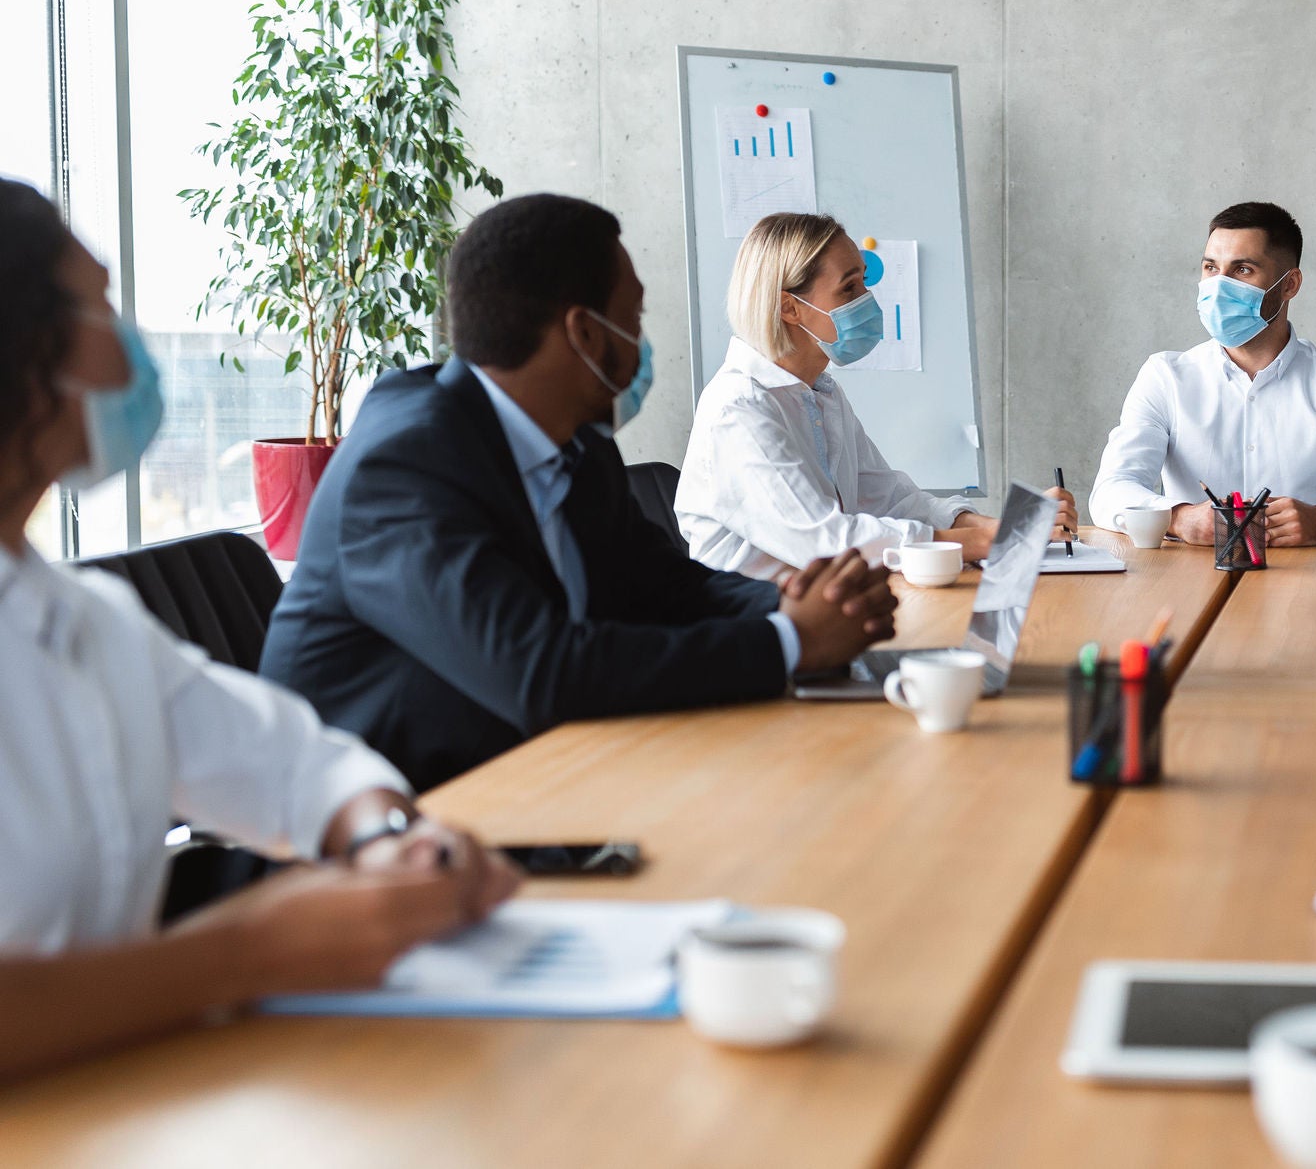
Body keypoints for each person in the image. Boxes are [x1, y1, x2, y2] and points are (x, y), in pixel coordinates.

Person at [0, 179, 518, 1083]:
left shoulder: (82, 621)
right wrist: (252, 951)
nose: (127, 345)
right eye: (97, 303)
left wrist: (385, 838)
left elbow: (290, 759)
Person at [261, 195, 898, 792]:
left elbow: (667, 588)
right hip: (392, 826)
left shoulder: (575, 444)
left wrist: (795, 603)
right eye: (635, 318)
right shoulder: (405, 465)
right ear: (586, 335)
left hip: (536, 776)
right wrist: (789, 642)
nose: (643, 343)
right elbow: (541, 670)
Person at [676, 213, 1076, 578]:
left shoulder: (821, 393)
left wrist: (1004, 524)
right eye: (849, 288)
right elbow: (827, 543)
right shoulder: (739, 409)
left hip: (826, 614)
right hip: (758, 632)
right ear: (789, 308)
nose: (867, 300)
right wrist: (992, 539)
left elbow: (892, 500)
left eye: (865, 282)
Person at [1089, 201, 1316, 547]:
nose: (1219, 286)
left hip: (1311, 582)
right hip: (1190, 582)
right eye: (1210, 268)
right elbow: (1111, 490)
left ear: (1289, 284)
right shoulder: (1165, 377)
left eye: (1243, 270)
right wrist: (1178, 518)